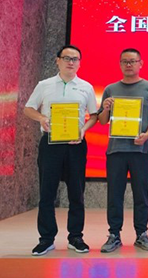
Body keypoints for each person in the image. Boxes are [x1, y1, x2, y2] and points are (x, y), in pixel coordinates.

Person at [23, 44, 99, 255]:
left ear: (79, 63)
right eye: (67, 58)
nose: (71, 62)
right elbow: (28, 108)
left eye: (75, 59)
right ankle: (46, 239)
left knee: (77, 193)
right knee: (47, 193)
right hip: (50, 144)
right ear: (58, 60)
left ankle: (75, 237)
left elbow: (94, 115)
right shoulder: (44, 85)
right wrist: (41, 118)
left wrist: (83, 129)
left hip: (76, 145)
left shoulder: (86, 87)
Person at [94, 48, 148, 253]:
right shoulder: (110, 89)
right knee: (115, 194)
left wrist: (146, 135)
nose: (129, 64)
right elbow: (102, 121)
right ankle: (114, 234)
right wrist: (106, 108)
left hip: (141, 150)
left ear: (141, 63)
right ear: (120, 64)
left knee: (141, 194)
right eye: (125, 61)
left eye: (133, 61)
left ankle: (142, 234)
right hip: (116, 150)